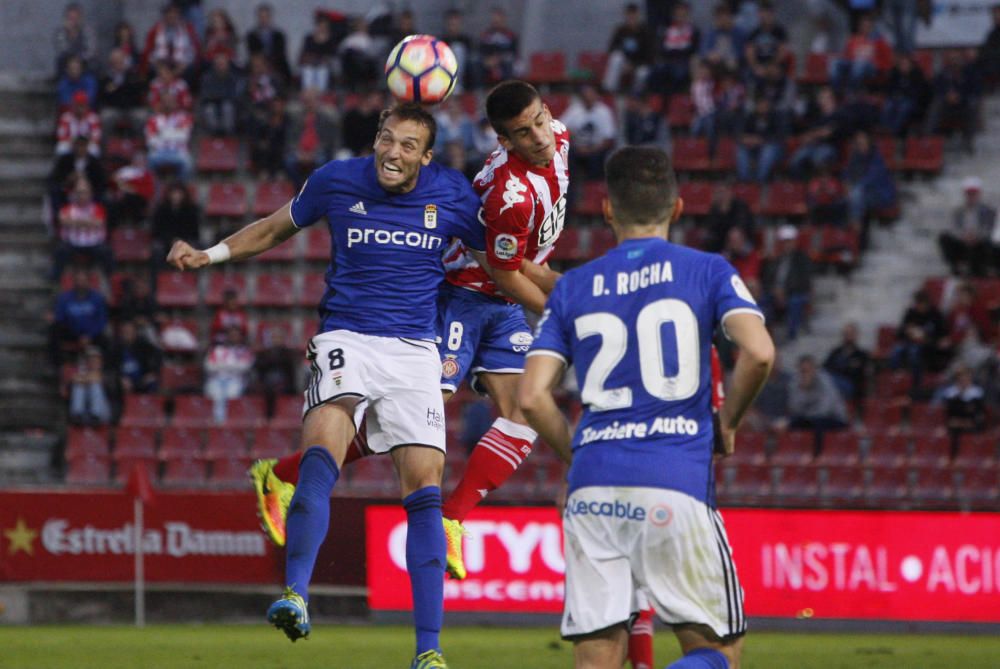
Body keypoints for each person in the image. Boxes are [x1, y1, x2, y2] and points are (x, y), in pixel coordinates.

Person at [167, 103, 488, 668]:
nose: (393, 152)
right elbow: (271, 228)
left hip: (416, 350)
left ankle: (429, 653)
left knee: (426, 490)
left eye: (408, 145)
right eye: (386, 139)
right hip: (348, 336)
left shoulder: (454, 193)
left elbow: (500, 255)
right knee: (324, 450)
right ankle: (295, 594)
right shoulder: (337, 180)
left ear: (427, 156)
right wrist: (209, 254)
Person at [518, 145, 774, 669]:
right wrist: (725, 423)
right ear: (678, 208)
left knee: (596, 658)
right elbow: (760, 351)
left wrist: (578, 453)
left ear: (608, 210)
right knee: (718, 651)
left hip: (592, 487)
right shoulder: (707, 270)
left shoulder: (575, 287)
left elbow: (531, 397)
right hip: (674, 479)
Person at [939, 176, 996, 277]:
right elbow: (953, 228)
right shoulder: (959, 211)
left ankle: (980, 269)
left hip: (980, 242)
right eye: (969, 194)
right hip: (963, 240)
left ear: (978, 194)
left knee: (987, 244)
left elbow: (989, 228)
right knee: (944, 238)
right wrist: (963, 236)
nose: (971, 196)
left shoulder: (988, 211)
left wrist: (976, 237)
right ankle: (956, 267)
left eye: (973, 194)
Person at [204, 325, 255, 424]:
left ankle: (229, 424)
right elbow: (209, 366)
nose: (233, 337)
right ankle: (219, 424)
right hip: (216, 380)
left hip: (236, 380)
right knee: (217, 396)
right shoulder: (217, 350)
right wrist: (232, 366)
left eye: (236, 335)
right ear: (227, 336)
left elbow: (245, 367)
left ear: (241, 337)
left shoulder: (245, 351)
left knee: (231, 395)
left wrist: (221, 366)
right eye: (231, 335)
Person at [603, 3, 655, 94]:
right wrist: (626, 64)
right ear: (626, 16)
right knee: (616, 57)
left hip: (640, 63)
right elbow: (611, 48)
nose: (631, 18)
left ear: (638, 15)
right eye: (629, 15)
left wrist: (634, 65)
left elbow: (650, 56)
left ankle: (636, 95)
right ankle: (609, 89)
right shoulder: (620, 30)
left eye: (633, 15)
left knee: (643, 73)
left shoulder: (646, 32)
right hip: (624, 63)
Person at [823, 322, 870, 406]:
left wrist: (842, 368)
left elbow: (860, 374)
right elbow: (825, 368)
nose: (848, 336)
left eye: (851, 333)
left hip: (850, 386)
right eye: (846, 333)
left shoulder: (861, 355)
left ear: (856, 335)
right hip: (833, 384)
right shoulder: (836, 352)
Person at [246, 2, 291, 82]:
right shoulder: (251, 35)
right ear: (258, 18)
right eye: (261, 17)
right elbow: (253, 52)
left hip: (276, 64)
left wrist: (269, 64)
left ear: (270, 17)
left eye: (266, 16)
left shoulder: (279, 35)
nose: (264, 19)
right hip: (257, 64)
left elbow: (281, 53)